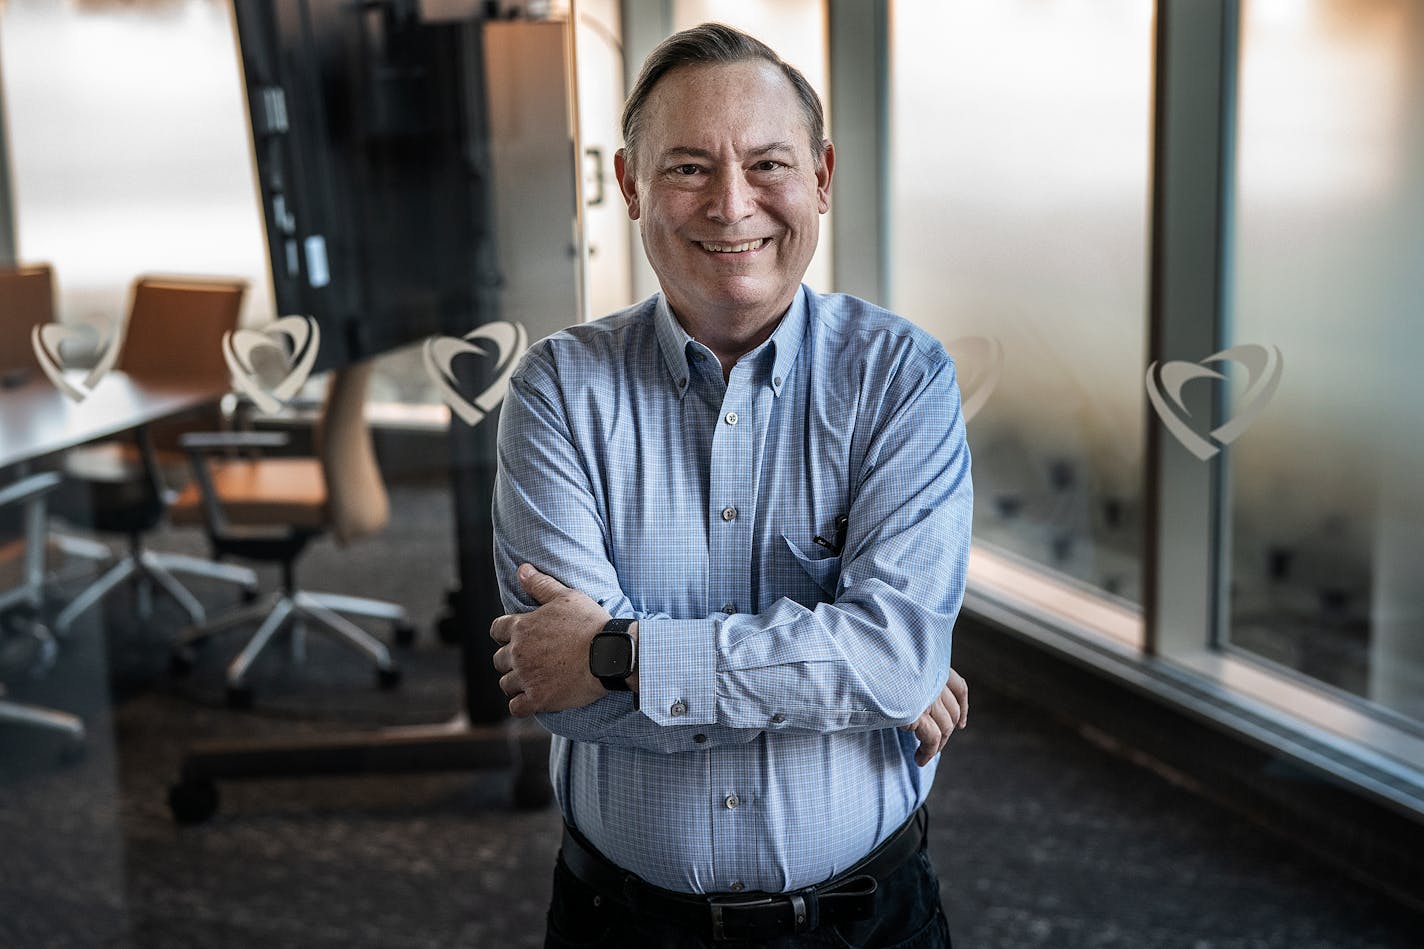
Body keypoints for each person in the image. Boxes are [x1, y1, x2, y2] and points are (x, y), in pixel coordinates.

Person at [489, 22, 973, 948]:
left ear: (821, 177)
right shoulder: (557, 389)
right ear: (631, 186)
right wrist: (843, 673)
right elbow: (563, 690)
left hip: (867, 924)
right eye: (687, 169)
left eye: (768, 164)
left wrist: (617, 651)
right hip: (620, 924)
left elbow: (891, 660)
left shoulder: (901, 378)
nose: (732, 204)